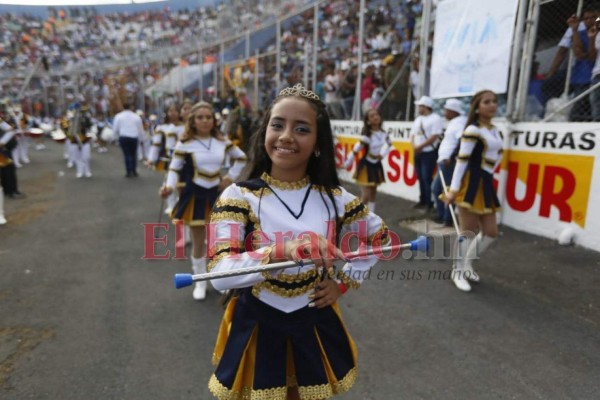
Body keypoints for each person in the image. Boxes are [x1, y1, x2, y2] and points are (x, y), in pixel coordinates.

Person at [206, 84, 391, 399]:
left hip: (313, 318)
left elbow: (381, 239)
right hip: (259, 319)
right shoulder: (239, 196)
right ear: (265, 130)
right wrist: (281, 251)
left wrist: (343, 283)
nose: (287, 135)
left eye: (302, 129)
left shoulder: (335, 198)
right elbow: (219, 273)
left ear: (318, 142)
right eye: (277, 124)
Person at [159, 102, 247, 301]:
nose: (205, 120)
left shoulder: (222, 141)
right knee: (198, 241)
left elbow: (241, 158)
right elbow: (174, 168)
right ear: (193, 120)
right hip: (194, 195)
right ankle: (200, 281)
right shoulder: (185, 143)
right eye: (200, 117)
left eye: (208, 117)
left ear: (213, 120)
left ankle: (217, 278)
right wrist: (169, 187)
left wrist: (229, 177)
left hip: (217, 194)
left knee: (219, 240)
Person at [442, 90, 503, 293]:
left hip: (486, 182)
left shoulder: (495, 130)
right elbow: (462, 161)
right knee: (468, 230)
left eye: (494, 101)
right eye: (487, 102)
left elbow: (497, 159)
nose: (492, 105)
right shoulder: (472, 130)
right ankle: (457, 270)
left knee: (491, 232)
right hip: (470, 182)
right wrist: (454, 190)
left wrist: (490, 175)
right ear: (477, 107)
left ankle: (467, 263)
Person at [541, 7, 598, 121]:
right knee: (579, 108)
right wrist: (575, 30)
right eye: (586, 18)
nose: (589, 21)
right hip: (582, 75)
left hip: (591, 75)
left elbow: (591, 56)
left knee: (589, 108)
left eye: (593, 18)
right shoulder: (580, 33)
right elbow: (578, 53)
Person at [343, 108, 391, 212]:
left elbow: (389, 145)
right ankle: (358, 217)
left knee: (373, 193)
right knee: (365, 196)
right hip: (366, 166)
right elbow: (355, 150)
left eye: (377, 114)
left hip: (376, 165)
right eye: (372, 116)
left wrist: (382, 155)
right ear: (368, 121)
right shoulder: (366, 136)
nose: (376, 117)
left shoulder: (384, 133)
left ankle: (371, 216)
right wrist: (348, 163)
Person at [431, 99, 467, 226]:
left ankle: (447, 218)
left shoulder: (459, 123)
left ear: (453, 111)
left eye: (446, 109)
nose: (444, 112)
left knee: (445, 191)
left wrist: (451, 157)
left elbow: (462, 140)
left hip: (448, 163)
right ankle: (442, 216)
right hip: (444, 161)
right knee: (437, 190)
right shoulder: (454, 122)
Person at [410, 95, 443, 211]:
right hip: (418, 152)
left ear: (426, 106)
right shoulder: (418, 119)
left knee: (426, 177)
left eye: (420, 106)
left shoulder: (436, 118)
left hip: (429, 152)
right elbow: (413, 135)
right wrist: (415, 146)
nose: (419, 108)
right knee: (420, 176)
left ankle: (429, 202)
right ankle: (422, 200)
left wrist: (420, 146)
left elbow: (435, 136)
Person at [113, 102, 144, 177]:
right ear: (131, 107)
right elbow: (140, 129)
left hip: (124, 136)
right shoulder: (136, 116)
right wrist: (141, 139)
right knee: (133, 154)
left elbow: (115, 128)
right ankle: (134, 170)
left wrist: (115, 138)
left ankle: (128, 170)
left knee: (127, 154)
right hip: (134, 137)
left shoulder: (119, 116)